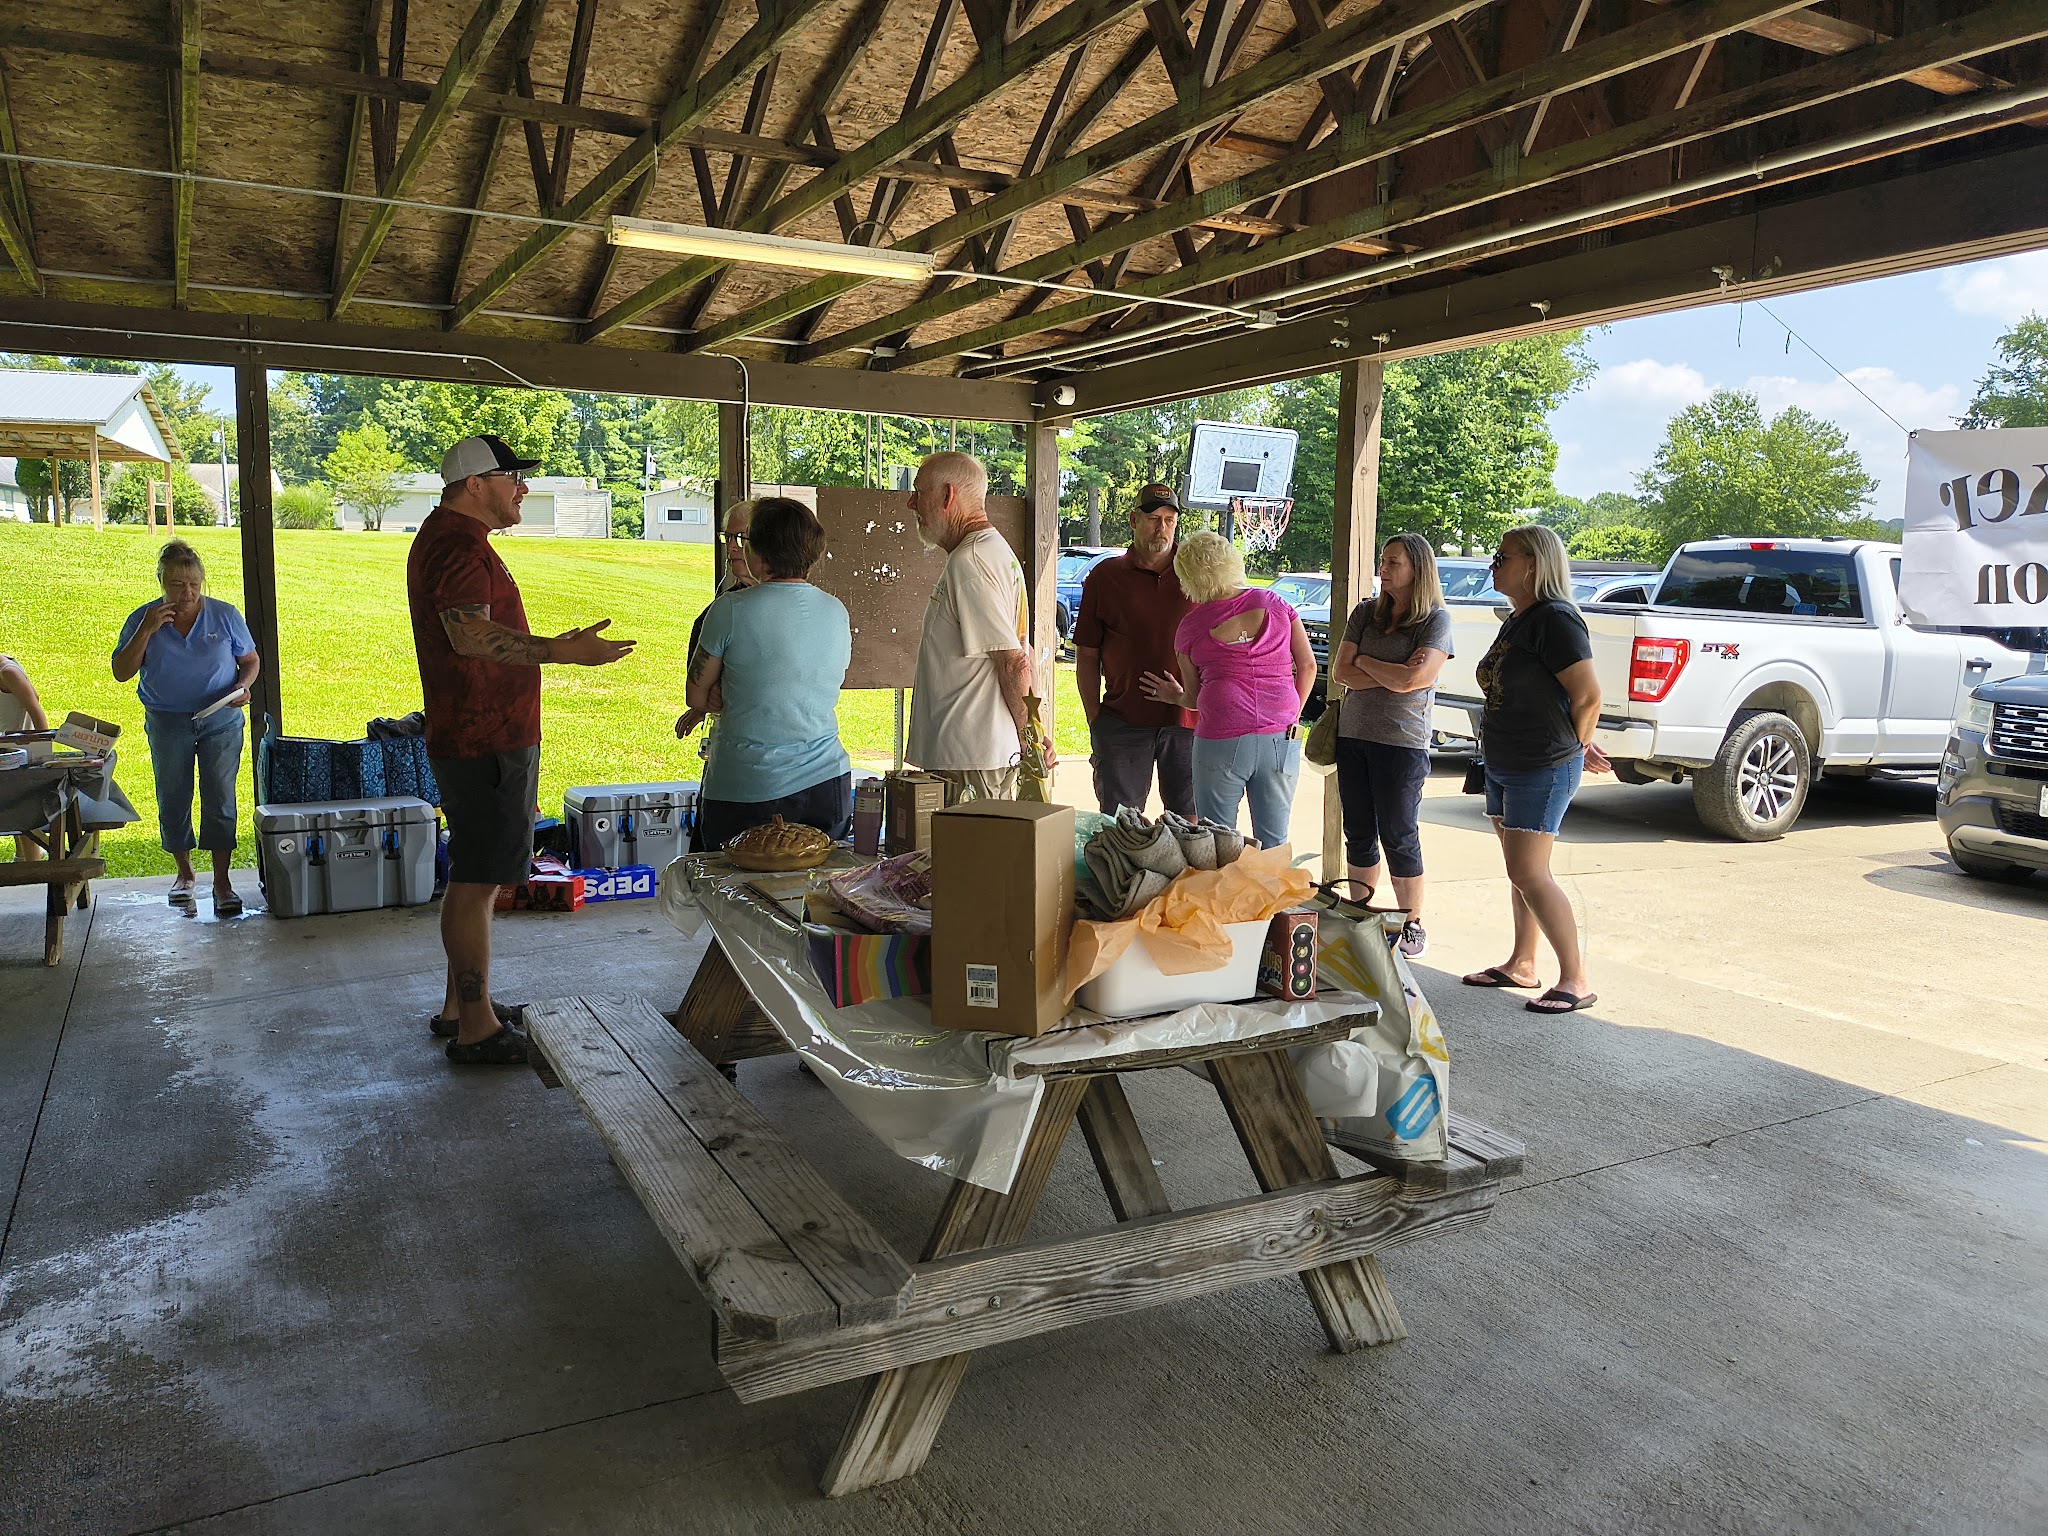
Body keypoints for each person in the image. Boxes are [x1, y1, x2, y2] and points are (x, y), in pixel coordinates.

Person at [408, 434, 634, 1065]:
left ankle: (462, 1007)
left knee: (475, 875)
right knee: (478, 881)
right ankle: (476, 1027)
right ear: (476, 484)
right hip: (483, 738)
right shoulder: (456, 545)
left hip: (484, 733)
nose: (523, 490)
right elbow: (471, 637)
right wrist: (561, 651)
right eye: (513, 478)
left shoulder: (457, 540)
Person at [1460, 523, 1612, 1014]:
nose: (1493, 565)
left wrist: (1576, 746)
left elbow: (1588, 695)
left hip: (1540, 764)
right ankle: (1522, 963)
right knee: (1519, 871)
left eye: (1503, 557)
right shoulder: (1521, 618)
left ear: (1534, 564)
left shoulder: (1556, 619)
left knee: (1530, 870)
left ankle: (1575, 979)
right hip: (1505, 760)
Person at [685, 497, 854, 850]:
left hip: (746, 785)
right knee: (812, 894)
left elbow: (697, 696)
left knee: (731, 895)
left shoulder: (728, 610)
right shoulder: (836, 610)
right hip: (826, 782)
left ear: (757, 552)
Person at [112, 538, 260, 914]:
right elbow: (121, 672)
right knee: (173, 794)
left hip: (220, 718)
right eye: (178, 584)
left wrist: (242, 687)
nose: (187, 592)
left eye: (194, 583)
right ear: (162, 581)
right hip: (167, 719)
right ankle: (185, 874)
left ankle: (223, 883)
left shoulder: (224, 615)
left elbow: (251, 661)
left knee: (220, 797)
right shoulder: (143, 618)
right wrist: (146, 630)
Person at [905, 451, 1055, 803]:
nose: (911, 503)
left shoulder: (971, 560)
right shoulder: (988, 552)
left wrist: (1031, 741)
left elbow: (1014, 660)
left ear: (947, 496)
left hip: (972, 758)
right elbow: (1021, 652)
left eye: (919, 492)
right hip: (972, 754)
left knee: (971, 856)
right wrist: (1031, 730)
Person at [1330, 533, 1453, 958]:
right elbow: (1340, 671)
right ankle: (1362, 916)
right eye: (1383, 561)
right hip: (1353, 736)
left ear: (1417, 569)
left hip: (1402, 743)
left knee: (1399, 834)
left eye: (1393, 562)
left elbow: (1413, 682)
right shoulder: (1366, 613)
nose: (1383, 569)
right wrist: (1381, 666)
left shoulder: (1434, 620)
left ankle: (1411, 922)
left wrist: (1369, 664)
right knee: (1358, 831)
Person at [1151, 530, 1315, 850]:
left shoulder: (1191, 627)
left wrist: (1172, 695)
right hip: (1282, 736)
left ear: (1189, 578)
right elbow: (1308, 666)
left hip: (1221, 737)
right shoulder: (1276, 604)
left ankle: (1228, 900)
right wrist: (1290, 716)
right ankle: (1272, 900)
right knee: (1275, 840)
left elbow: (1195, 699)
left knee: (1218, 840)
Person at [1074, 483, 1195, 819]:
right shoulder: (1105, 576)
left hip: (1189, 721)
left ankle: (1187, 876)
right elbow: (1087, 654)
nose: (1163, 528)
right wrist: (1094, 717)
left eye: (1170, 520)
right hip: (1123, 721)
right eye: (1154, 518)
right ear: (1133, 520)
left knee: (1192, 822)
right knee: (1120, 823)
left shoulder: (1196, 575)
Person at [676, 499, 760, 850]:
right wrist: (704, 704)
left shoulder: (802, 606)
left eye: (741, 538)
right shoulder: (719, 611)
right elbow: (702, 689)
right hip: (730, 766)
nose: (731, 548)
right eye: (726, 537)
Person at [2, 650, 49, 862]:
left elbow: (36, 708)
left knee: (20, 814)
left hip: (17, 759)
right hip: (7, 756)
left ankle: (33, 865)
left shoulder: (8, 672)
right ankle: (26, 859)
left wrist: (43, 752)